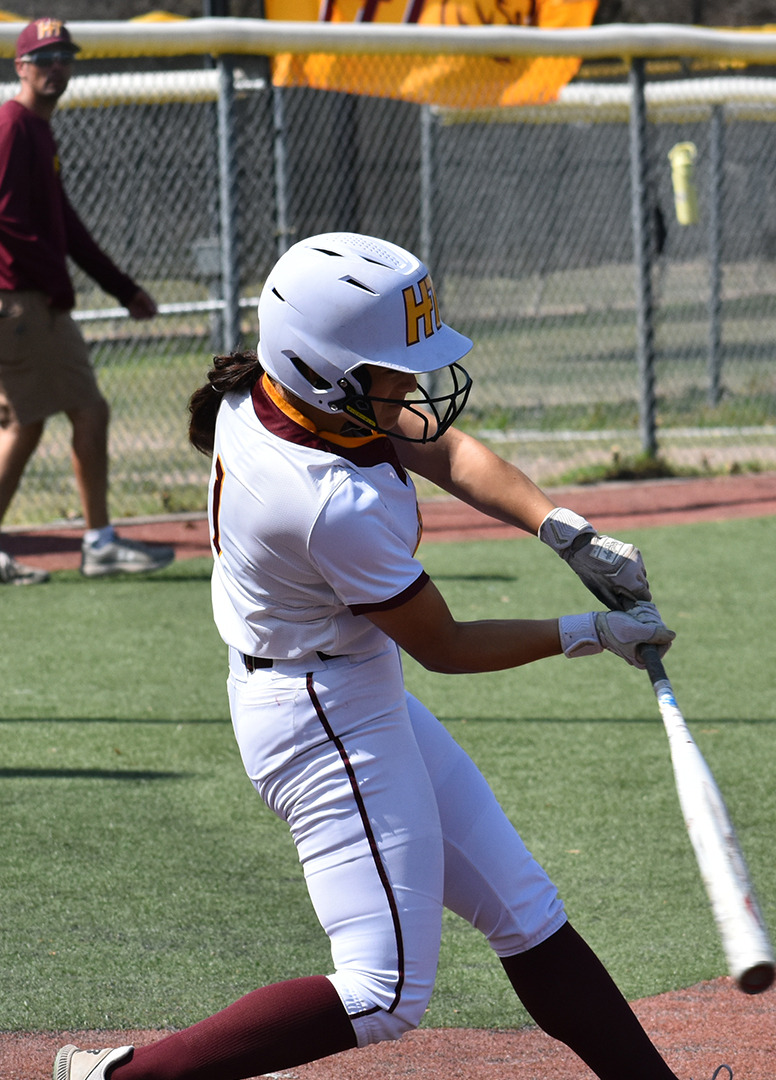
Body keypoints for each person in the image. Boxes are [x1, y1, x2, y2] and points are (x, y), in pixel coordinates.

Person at [51, 233, 687, 1080]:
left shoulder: (274, 396)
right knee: (383, 992)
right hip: (319, 719)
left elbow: (445, 449)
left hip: (340, 686)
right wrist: (588, 631)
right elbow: (447, 646)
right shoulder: (324, 505)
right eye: (391, 370)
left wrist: (562, 528)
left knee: (526, 912)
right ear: (326, 371)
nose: (413, 386)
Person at [0, 18, 174, 585]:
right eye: (44, 57)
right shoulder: (11, 125)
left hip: (22, 301)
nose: (57, 67)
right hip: (19, 304)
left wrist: (121, 287)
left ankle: (1, 548)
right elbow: (4, 218)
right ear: (20, 66)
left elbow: (62, 224)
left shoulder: (36, 130)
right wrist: (57, 283)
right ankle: (3, 548)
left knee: (53, 419)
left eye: (64, 57)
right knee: (38, 423)